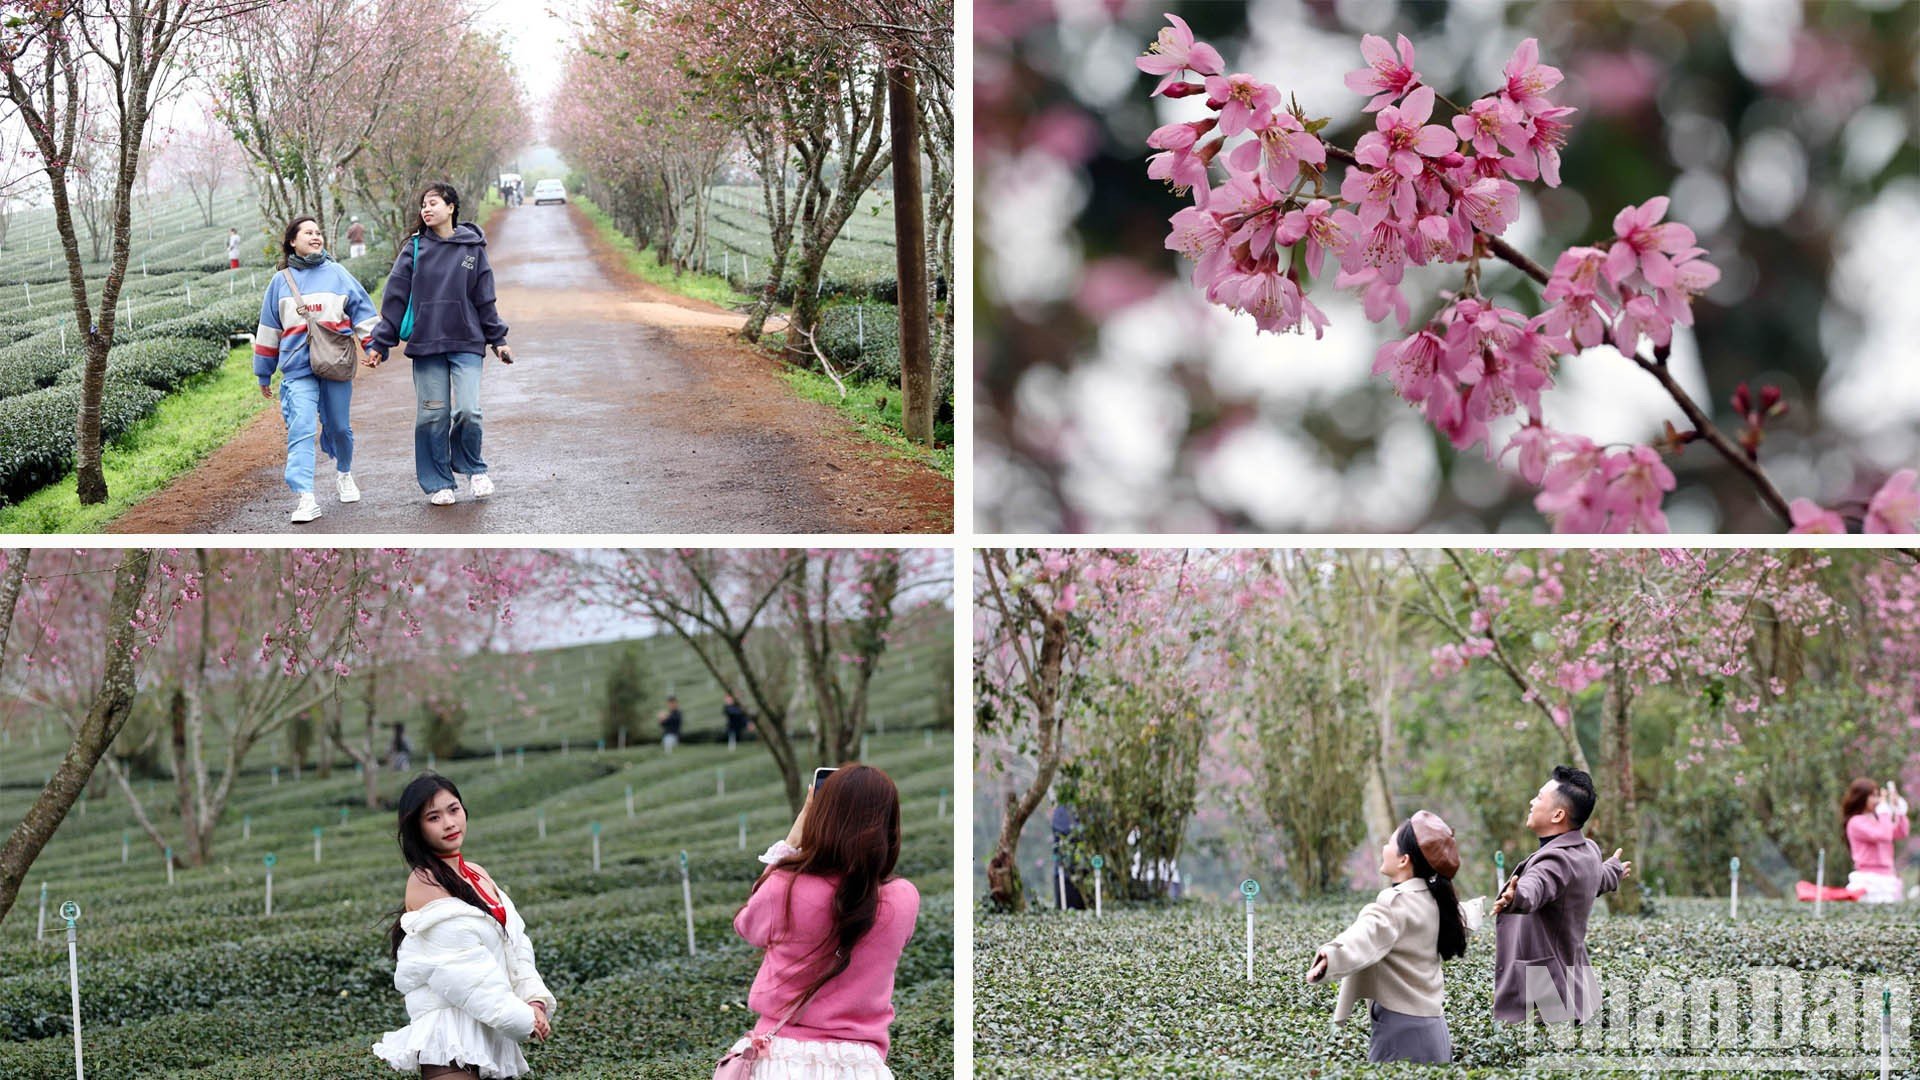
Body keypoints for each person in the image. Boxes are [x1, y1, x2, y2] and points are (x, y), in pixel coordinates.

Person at [723, 764, 919, 1078]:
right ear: (889, 826)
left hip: (780, 1062)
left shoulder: (784, 887)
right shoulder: (904, 898)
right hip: (861, 1068)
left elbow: (748, 925)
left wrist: (792, 840)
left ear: (821, 818)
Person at [373, 774, 555, 1079]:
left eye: (453, 809)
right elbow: (464, 972)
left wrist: (534, 999)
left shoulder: (476, 873)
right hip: (450, 1044)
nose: (448, 823)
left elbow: (515, 943)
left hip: (486, 1037)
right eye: (434, 817)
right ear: (417, 828)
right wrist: (525, 1019)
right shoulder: (424, 882)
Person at [367, 181, 514, 506]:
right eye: (423, 204)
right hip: (427, 345)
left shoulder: (472, 249)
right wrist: (380, 343)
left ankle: (473, 468)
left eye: (433, 202)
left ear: (451, 207)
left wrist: (498, 340)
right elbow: (395, 298)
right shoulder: (414, 249)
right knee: (433, 414)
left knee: (468, 410)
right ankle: (438, 482)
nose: (426, 209)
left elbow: (484, 299)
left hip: (466, 341)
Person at [1308, 811, 1481, 1064]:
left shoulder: (1394, 903)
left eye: (1390, 843)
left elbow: (1367, 934)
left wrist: (1330, 956)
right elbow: (1464, 914)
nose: (1384, 847)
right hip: (1434, 1029)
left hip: (1401, 1034)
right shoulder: (1436, 900)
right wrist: (1482, 907)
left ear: (1404, 860)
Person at [254, 216, 377, 523]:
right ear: (292, 241)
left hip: (335, 363)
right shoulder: (279, 282)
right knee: (301, 428)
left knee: (338, 427)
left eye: (318, 232)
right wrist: (263, 372)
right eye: (308, 232)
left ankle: (344, 472)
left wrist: (373, 346)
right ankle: (306, 497)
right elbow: (269, 329)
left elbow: (362, 310)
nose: (315, 236)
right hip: (297, 368)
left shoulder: (337, 273)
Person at [1489, 765, 1633, 1025]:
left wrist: (1516, 897)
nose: (1532, 802)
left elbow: (1538, 886)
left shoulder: (1555, 860)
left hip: (1547, 999)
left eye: (1539, 797)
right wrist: (1613, 872)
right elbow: (1590, 879)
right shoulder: (1587, 850)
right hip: (1575, 990)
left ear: (1557, 815)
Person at [1843, 778, 1910, 903]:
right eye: (1873, 796)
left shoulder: (1878, 819)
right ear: (1861, 798)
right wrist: (1885, 810)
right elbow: (1883, 835)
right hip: (1869, 880)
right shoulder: (1856, 822)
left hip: (1888, 878)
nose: (1877, 800)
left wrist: (1898, 810)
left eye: (1878, 796)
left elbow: (1901, 832)